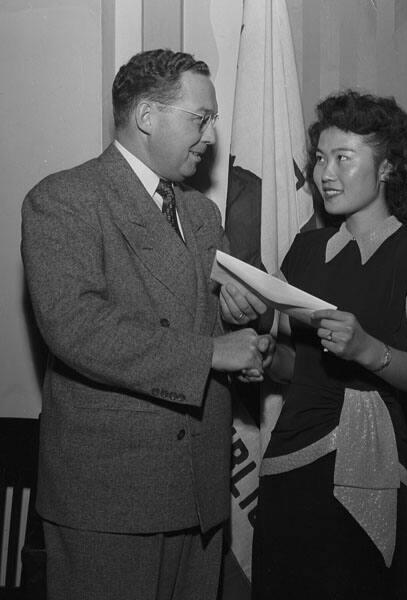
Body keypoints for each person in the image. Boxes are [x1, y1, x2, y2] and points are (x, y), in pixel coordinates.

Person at [21, 49, 271, 600]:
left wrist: (244, 334)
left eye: (213, 120)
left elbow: (207, 321)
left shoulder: (202, 214)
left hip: (200, 491)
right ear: (146, 117)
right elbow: (77, 327)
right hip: (111, 496)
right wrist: (211, 354)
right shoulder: (65, 199)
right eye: (198, 118)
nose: (210, 135)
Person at [223, 90, 407, 599]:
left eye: (342, 158)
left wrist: (367, 350)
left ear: (386, 169)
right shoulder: (307, 249)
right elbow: (298, 366)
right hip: (288, 457)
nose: (323, 173)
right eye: (319, 158)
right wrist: (268, 358)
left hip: (367, 460)